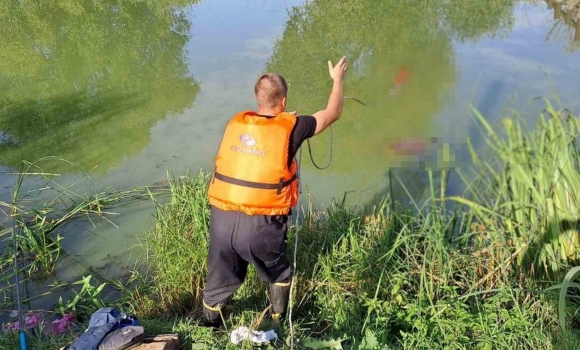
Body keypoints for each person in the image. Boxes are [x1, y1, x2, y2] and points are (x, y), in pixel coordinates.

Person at [201, 56, 349, 327]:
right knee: (277, 272)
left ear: (257, 98)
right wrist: (337, 79)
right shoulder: (294, 126)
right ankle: (276, 321)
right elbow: (332, 112)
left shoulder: (237, 124)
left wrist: (281, 120)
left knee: (219, 278)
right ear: (283, 101)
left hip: (221, 221)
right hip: (260, 226)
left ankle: (209, 325)